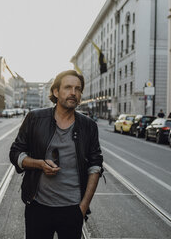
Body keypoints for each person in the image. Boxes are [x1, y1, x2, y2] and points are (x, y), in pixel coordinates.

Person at [9, 70, 103, 239]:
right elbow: (15, 153)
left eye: (78, 89)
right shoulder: (35, 118)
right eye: (67, 87)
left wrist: (82, 208)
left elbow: (95, 166)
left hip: (72, 209)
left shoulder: (89, 126)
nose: (73, 93)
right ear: (55, 91)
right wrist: (39, 164)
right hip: (38, 206)